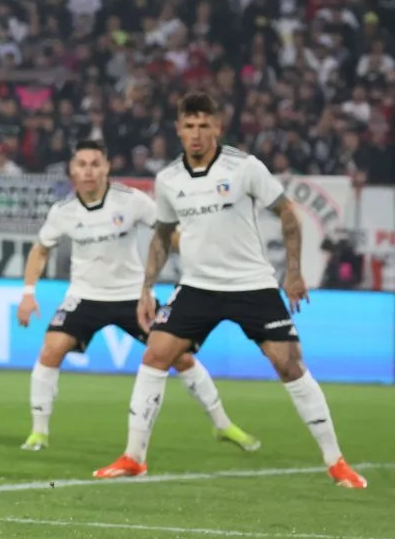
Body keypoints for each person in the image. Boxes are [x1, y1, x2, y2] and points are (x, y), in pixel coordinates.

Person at [93, 92, 367, 488]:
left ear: (218, 127)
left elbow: (287, 213)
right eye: (189, 126)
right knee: (156, 354)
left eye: (205, 125)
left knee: (289, 364)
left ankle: (336, 460)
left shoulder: (244, 167)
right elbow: (162, 234)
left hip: (251, 284)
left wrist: (293, 271)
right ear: (178, 130)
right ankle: (134, 456)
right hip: (198, 285)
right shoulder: (168, 179)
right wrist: (146, 288)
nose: (197, 134)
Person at [16, 140, 260, 454]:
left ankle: (222, 423)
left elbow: (168, 231)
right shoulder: (62, 212)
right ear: (72, 171)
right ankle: (39, 432)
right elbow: (41, 248)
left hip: (133, 297)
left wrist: (198, 256)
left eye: (95, 163)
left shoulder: (132, 201)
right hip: (84, 296)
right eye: (82, 164)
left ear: (106, 167)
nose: (89, 171)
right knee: (51, 350)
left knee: (180, 356)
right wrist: (27, 293)